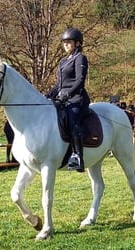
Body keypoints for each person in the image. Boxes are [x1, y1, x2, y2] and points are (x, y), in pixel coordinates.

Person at [46, 27, 90, 172]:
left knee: (72, 119)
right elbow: (58, 85)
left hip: (77, 98)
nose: (65, 45)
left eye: (68, 42)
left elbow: (80, 81)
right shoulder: (63, 61)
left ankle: (78, 157)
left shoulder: (80, 58)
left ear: (77, 43)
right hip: (62, 99)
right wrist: (48, 95)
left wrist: (68, 94)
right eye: (64, 42)